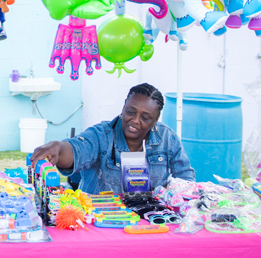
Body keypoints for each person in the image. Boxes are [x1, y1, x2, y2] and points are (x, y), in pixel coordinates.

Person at [30, 83, 195, 194]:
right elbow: (77, 149)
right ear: (123, 108)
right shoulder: (101, 136)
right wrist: (58, 147)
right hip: (101, 221)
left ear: (155, 120)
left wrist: (173, 197)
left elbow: (185, 178)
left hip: (151, 222)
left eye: (145, 118)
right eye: (130, 112)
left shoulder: (167, 138)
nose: (135, 120)